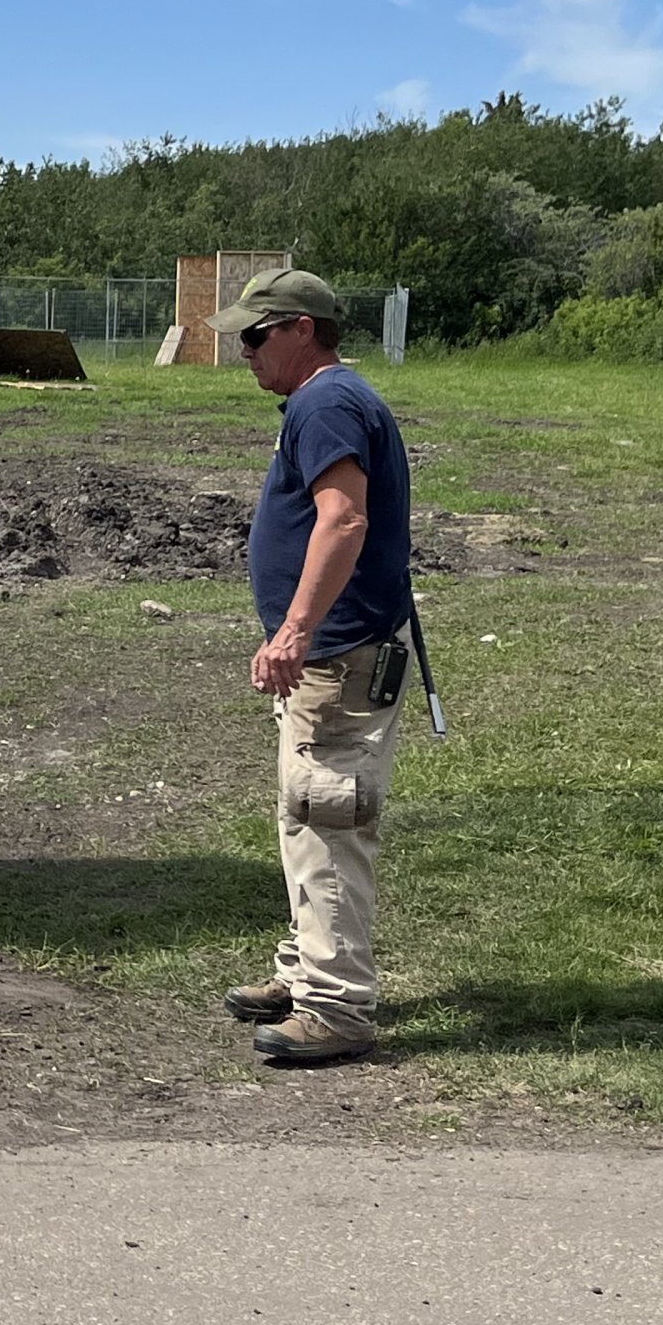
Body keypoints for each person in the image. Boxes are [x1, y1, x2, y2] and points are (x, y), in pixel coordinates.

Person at [207, 267, 413, 1065]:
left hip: (336, 656)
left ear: (300, 329)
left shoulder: (325, 402)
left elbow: (344, 516)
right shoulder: (329, 400)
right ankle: (307, 972)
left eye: (255, 338)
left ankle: (334, 1006)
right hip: (337, 653)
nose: (245, 354)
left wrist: (294, 630)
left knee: (328, 824)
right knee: (305, 818)